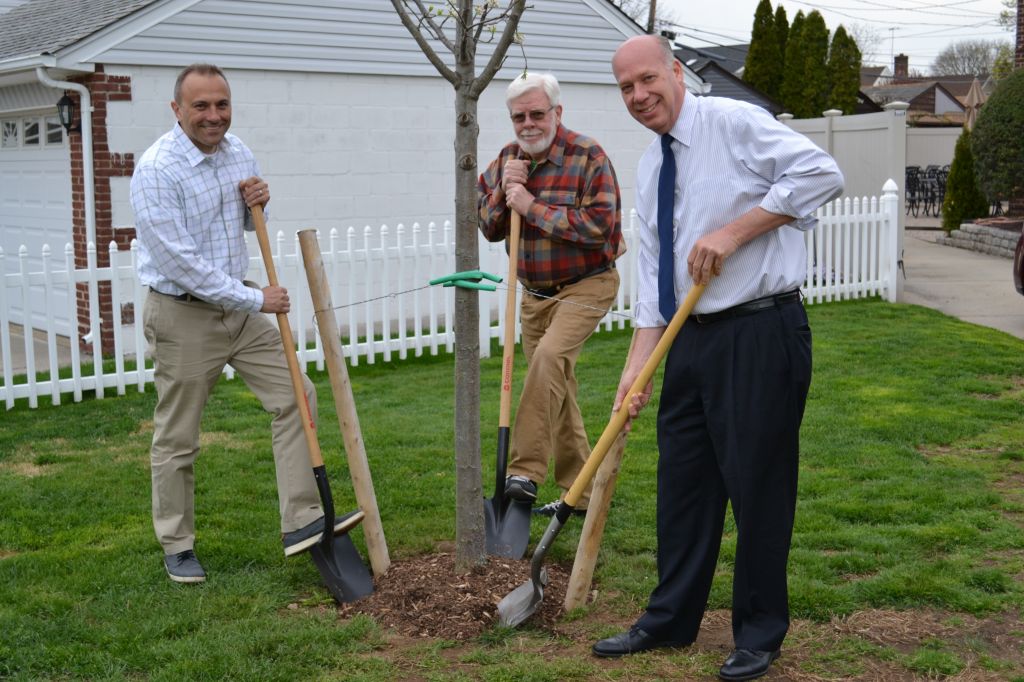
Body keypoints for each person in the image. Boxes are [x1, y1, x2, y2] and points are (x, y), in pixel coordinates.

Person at [594, 36, 844, 681]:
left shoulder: (734, 124)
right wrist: (636, 367)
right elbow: (653, 280)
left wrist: (734, 231)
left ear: (677, 73)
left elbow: (822, 173)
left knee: (758, 487)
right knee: (683, 485)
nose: (639, 96)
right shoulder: (651, 166)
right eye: (626, 88)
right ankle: (669, 619)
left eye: (648, 80)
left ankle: (759, 631)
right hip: (689, 342)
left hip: (761, 333)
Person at [131, 63, 351, 584]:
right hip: (184, 311)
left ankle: (303, 520)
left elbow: (242, 229)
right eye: (201, 106)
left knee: (297, 396)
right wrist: (255, 299)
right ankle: (177, 544)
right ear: (177, 109)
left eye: (221, 104)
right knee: (178, 435)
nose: (214, 116)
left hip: (240, 306)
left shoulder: (239, 153)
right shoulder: (157, 169)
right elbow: (179, 260)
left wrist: (260, 206)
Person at [477, 72, 623, 515]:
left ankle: (522, 472)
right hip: (534, 294)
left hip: (588, 284)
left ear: (557, 113)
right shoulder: (508, 158)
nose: (528, 124)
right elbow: (486, 226)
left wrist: (531, 207)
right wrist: (505, 193)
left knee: (547, 363)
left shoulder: (587, 156)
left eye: (537, 113)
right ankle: (580, 491)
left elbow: (601, 228)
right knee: (555, 387)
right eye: (518, 116)